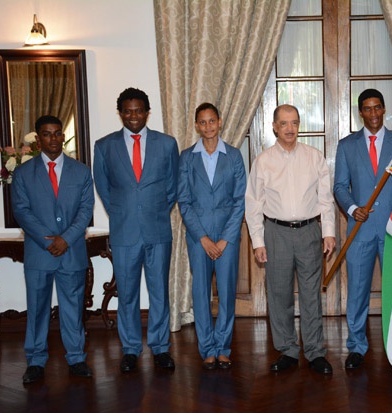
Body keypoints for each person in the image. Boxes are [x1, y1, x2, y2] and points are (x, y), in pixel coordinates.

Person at [245, 104, 336, 375]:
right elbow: (253, 204)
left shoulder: (314, 157)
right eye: (283, 123)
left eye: (294, 123)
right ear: (274, 126)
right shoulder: (263, 161)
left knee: (311, 296)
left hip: (310, 231)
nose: (289, 129)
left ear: (299, 125)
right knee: (279, 294)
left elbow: (325, 199)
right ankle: (287, 350)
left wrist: (328, 232)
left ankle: (315, 352)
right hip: (276, 233)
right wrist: (258, 241)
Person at [94, 87, 179, 372]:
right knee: (127, 294)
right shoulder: (104, 146)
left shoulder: (167, 144)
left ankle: (160, 347)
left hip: (157, 231)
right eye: (128, 111)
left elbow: (172, 186)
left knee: (159, 293)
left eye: (138, 110)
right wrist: (121, 213)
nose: (133, 116)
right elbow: (104, 188)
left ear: (147, 112)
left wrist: (154, 211)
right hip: (124, 232)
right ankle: (130, 349)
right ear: (120, 113)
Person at [11, 115, 95, 384]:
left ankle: (76, 357)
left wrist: (66, 239)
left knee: (73, 308)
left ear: (63, 137)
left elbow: (85, 210)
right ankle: (35, 360)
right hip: (39, 252)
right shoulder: (23, 173)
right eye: (47, 134)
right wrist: (48, 241)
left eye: (58, 133)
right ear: (38, 139)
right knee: (37, 308)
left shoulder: (81, 171)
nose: (53, 139)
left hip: (71, 251)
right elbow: (21, 212)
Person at [333, 89, 392, 369]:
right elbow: (339, 186)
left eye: (377, 108)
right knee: (358, 291)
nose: (373, 114)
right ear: (360, 112)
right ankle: (357, 346)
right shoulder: (347, 145)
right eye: (367, 109)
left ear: (384, 109)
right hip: (359, 230)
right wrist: (351, 208)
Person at [178, 103, 246, 370]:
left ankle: (223, 347)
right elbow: (183, 201)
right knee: (200, 293)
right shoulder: (186, 157)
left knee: (228, 293)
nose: (207, 127)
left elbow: (240, 200)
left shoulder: (234, 155)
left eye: (212, 121)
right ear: (197, 125)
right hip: (198, 238)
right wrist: (204, 238)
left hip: (228, 237)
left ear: (220, 122)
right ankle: (207, 348)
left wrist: (224, 239)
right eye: (202, 122)